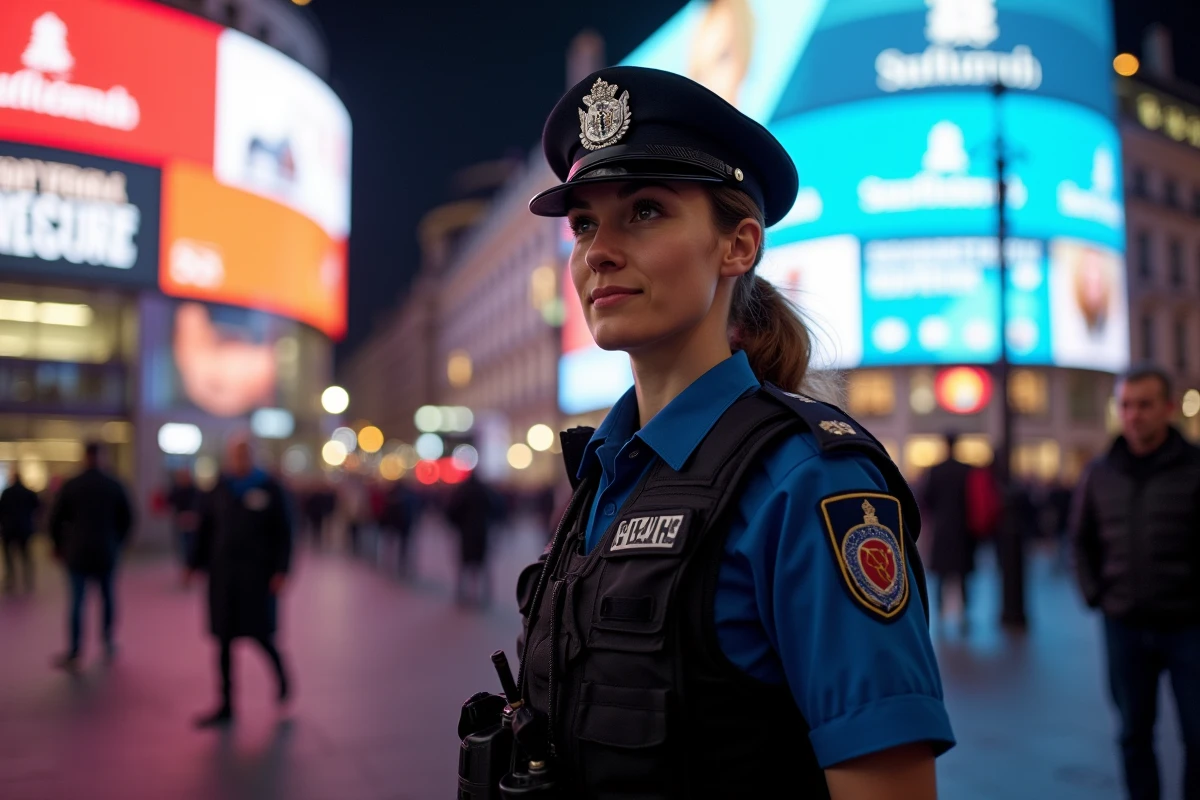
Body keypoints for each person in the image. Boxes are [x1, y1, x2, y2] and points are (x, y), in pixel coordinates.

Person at [496, 66, 954, 798]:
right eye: (584, 224)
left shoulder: (807, 480)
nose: (597, 252)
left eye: (644, 211)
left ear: (738, 246)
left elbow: (888, 784)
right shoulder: (607, 470)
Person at [1071, 364, 1200, 800]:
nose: (1134, 414)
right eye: (1126, 405)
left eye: (1144, 405)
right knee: (1132, 734)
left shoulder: (1194, 466)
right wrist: (1097, 596)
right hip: (1124, 623)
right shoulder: (1100, 471)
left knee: (1197, 735)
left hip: (1189, 625)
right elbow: (1080, 540)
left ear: (1167, 409)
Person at [187, 435, 292, 727]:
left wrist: (281, 571)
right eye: (236, 454)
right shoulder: (219, 489)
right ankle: (226, 704)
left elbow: (284, 533)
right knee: (223, 642)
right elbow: (204, 529)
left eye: (245, 454)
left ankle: (282, 679)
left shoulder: (270, 488)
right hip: (223, 579)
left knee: (261, 637)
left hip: (257, 578)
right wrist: (192, 564)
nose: (240, 460)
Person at [48, 443, 134, 672]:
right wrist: (118, 543)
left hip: (77, 552)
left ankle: (76, 651)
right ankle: (107, 643)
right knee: (107, 599)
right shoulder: (113, 484)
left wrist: (58, 546)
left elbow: (55, 519)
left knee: (78, 602)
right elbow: (127, 518)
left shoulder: (73, 484)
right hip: (106, 550)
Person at [919, 432, 978, 633]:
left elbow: (926, 499)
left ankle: (941, 614)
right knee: (962, 575)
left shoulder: (936, 471)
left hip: (942, 527)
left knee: (942, 575)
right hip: (964, 528)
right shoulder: (967, 470)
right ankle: (964, 615)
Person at [445, 470, 500, 608]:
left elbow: (452, 510)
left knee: (464, 564)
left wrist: (457, 525)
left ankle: (461, 594)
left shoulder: (462, 490)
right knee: (482, 564)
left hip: (466, 532)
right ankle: (484, 596)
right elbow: (495, 508)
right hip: (482, 531)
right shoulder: (484, 490)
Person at [0, 468, 40, 594]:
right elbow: (37, 506)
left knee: (9, 557)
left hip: (9, 528)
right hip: (24, 527)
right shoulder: (28, 492)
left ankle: (11, 579)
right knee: (26, 555)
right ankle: (28, 579)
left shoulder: (7, 492)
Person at [165, 467, 203, 580]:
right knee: (182, 548)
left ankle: (190, 569)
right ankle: (185, 570)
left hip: (192, 524)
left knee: (191, 547)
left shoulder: (195, 490)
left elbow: (201, 504)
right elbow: (169, 501)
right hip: (181, 524)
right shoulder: (177, 489)